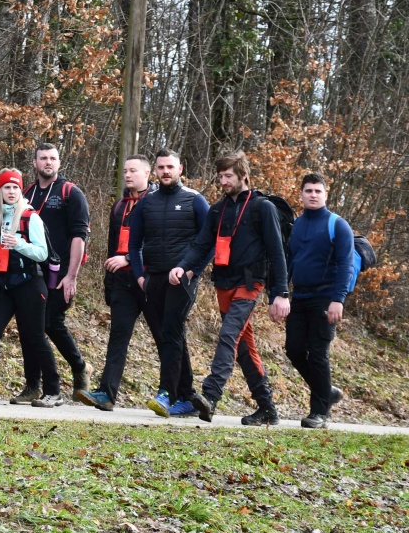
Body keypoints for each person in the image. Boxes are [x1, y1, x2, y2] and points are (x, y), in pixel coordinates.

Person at [171, 150, 290, 425]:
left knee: (227, 335)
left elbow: (277, 252)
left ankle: (210, 396)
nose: (223, 182)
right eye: (220, 176)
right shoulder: (217, 209)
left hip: (251, 282)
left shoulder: (264, 208)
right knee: (244, 347)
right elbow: (201, 245)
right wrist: (182, 266)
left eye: (228, 176)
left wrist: (280, 293)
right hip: (224, 281)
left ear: (243, 176)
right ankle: (267, 409)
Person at [0, 168, 66, 407]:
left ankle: (53, 391)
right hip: (2, 286)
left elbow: (42, 253)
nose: (11, 192)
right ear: (0, 191)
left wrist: (19, 243)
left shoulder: (31, 217)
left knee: (34, 337)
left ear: (21, 190)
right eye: (6, 188)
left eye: (15, 188)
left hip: (30, 285)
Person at [128, 149, 208, 418]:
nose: (165, 171)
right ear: (155, 171)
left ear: (180, 169)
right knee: (170, 335)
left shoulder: (195, 200)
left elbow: (207, 242)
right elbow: (133, 243)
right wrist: (140, 275)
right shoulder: (145, 204)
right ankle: (187, 397)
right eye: (161, 167)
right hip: (154, 279)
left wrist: (191, 271)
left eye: (170, 167)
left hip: (182, 279)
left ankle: (166, 393)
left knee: (172, 330)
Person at [78, 155, 157, 411]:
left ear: (147, 174)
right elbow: (113, 248)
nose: (127, 175)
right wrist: (109, 283)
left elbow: (158, 244)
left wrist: (129, 260)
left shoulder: (157, 203)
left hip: (150, 281)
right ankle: (106, 393)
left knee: (165, 338)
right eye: (125, 170)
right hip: (122, 283)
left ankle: (177, 393)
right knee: (117, 338)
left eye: (133, 170)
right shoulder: (119, 206)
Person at [22, 143, 91, 403]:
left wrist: (71, 275)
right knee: (31, 328)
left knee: (51, 323)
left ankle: (79, 367)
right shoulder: (26, 193)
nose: (47, 162)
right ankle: (32, 386)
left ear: (59, 163)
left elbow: (79, 237)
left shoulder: (70, 193)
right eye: (43, 158)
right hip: (30, 275)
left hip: (60, 274)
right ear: (35, 162)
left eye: (52, 158)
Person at [285, 173, 351, 429]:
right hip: (299, 296)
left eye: (318, 191)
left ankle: (319, 412)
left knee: (318, 353)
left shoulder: (337, 225)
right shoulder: (297, 225)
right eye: (308, 190)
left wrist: (338, 299)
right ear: (301, 194)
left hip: (326, 297)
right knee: (293, 350)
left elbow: (345, 264)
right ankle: (327, 392)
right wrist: (280, 293)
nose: (313, 195)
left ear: (326, 194)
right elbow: (290, 262)